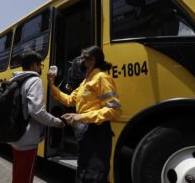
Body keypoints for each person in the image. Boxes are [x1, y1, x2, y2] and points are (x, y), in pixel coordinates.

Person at [48, 46, 122, 183]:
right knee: (84, 173)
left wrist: (81, 117)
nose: (79, 61)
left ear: (92, 60)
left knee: (94, 175)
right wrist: (51, 84)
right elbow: (69, 100)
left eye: (82, 58)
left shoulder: (102, 78)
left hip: (98, 133)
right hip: (85, 134)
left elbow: (115, 110)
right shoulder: (84, 82)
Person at [9, 50, 64, 183]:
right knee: (25, 179)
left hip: (16, 136)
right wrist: (57, 122)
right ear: (34, 65)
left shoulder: (15, 80)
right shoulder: (34, 80)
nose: (40, 68)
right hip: (27, 140)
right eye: (40, 65)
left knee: (18, 176)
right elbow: (37, 111)